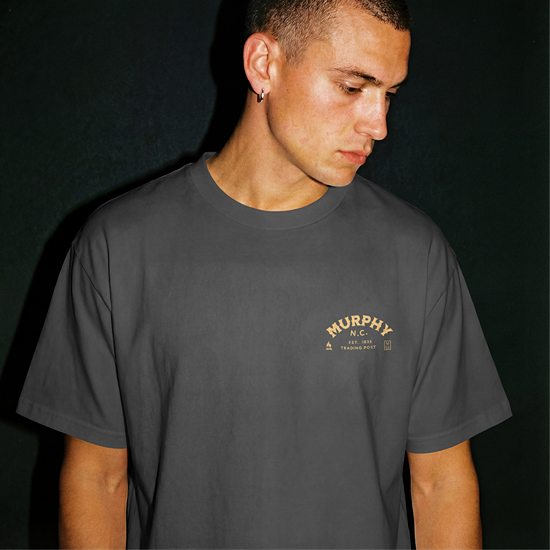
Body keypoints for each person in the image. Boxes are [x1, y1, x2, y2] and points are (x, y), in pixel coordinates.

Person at [17, 0, 512, 548]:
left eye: (389, 94)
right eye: (352, 87)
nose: (379, 124)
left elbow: (441, 485)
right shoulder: (117, 245)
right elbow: (97, 479)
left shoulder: (415, 253)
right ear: (263, 65)